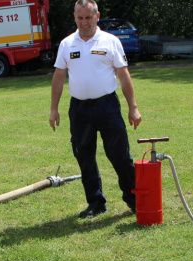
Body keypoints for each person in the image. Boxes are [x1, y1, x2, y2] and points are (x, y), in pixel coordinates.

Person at [50, 0, 141, 218]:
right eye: (80, 18)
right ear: (74, 18)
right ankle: (96, 203)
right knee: (84, 156)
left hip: (107, 106)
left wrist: (133, 108)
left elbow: (123, 75)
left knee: (119, 155)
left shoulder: (110, 41)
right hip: (79, 109)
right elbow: (59, 77)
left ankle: (135, 199)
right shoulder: (66, 44)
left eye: (88, 17)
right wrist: (54, 109)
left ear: (97, 16)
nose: (84, 22)